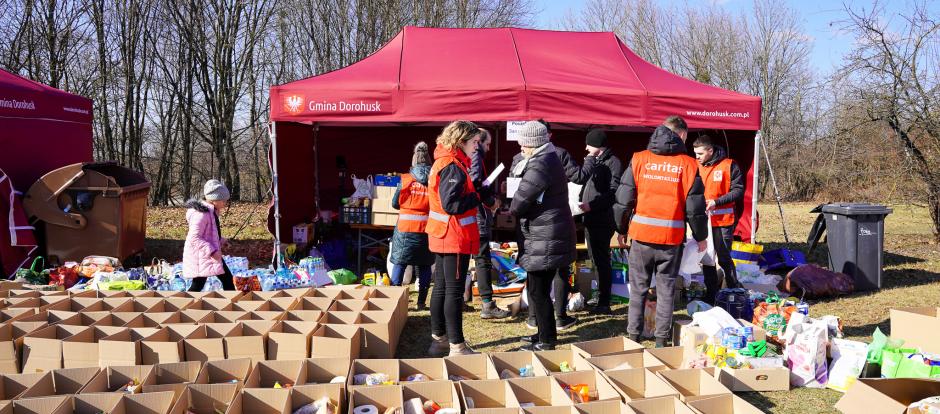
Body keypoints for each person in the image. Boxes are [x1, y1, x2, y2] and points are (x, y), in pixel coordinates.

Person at [614, 116, 708, 347]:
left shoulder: (639, 159)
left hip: (642, 238)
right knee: (666, 290)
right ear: (681, 135)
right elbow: (694, 209)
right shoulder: (688, 165)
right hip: (670, 240)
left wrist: (621, 228)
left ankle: (633, 336)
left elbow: (623, 200)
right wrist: (701, 237)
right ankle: (660, 340)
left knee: (638, 289)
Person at [511, 119, 593, 331]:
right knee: (542, 288)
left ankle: (546, 339)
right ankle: (543, 334)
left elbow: (519, 201)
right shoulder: (548, 158)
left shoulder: (540, 164)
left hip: (543, 234)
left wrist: (515, 206)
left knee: (539, 291)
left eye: (524, 143)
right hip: (547, 232)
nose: (521, 147)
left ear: (534, 143)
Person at [426, 120, 488, 357]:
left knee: (441, 288)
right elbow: (452, 204)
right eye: (474, 142)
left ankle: (439, 340)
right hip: (453, 235)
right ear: (461, 141)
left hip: (443, 234)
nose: (477, 147)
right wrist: (478, 196)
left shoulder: (444, 161)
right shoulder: (452, 165)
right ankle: (457, 346)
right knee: (452, 291)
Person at [571, 129, 623, 315]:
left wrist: (592, 205)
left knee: (602, 260)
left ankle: (604, 302)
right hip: (589, 219)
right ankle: (599, 295)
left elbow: (613, 193)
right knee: (594, 259)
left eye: (589, 144)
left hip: (602, 219)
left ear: (598, 145)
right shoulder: (594, 161)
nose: (585, 147)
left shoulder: (613, 163)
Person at [693, 135, 744, 304]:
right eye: (695, 153)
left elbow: (738, 191)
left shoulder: (729, 165)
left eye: (700, 153)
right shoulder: (695, 166)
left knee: (723, 257)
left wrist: (717, 202)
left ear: (710, 150)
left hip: (723, 220)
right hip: (702, 220)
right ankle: (711, 293)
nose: (697, 157)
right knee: (707, 258)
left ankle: (734, 290)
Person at [469, 128, 511, 319]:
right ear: (478, 142)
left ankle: (460, 299)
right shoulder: (476, 155)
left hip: (472, 216)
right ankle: (487, 304)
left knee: (466, 260)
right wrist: (491, 201)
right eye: (487, 144)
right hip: (478, 217)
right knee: (482, 259)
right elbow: (476, 183)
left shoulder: (469, 155)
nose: (488, 147)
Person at [390, 142, 435, 310]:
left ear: (413, 160)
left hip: (405, 230)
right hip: (426, 230)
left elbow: (395, 203)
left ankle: (394, 300)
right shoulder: (433, 180)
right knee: (424, 266)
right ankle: (421, 302)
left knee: (400, 263)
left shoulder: (405, 179)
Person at [183, 179, 237, 292]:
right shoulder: (201, 215)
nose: (225, 203)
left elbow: (209, 233)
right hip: (201, 255)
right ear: (214, 200)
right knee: (197, 285)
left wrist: (221, 240)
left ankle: (232, 305)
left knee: (228, 280)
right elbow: (194, 238)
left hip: (209, 254)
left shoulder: (211, 212)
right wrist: (212, 251)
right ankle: (184, 305)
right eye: (223, 200)